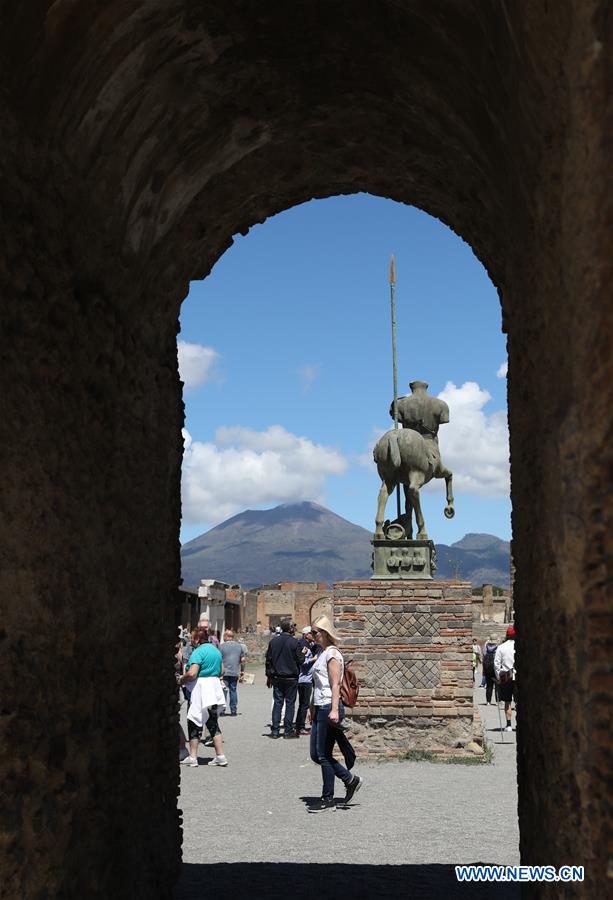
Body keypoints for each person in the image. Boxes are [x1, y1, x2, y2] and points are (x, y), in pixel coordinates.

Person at [309, 615, 362, 809]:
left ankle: (328, 798)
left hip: (329, 707)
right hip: (320, 706)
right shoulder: (323, 653)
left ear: (324, 633)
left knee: (323, 754)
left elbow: (335, 684)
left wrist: (333, 710)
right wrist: (311, 708)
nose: (312, 636)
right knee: (316, 754)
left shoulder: (332, 654)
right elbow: (317, 684)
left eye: (315, 632)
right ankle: (349, 780)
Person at [178, 626, 228, 766]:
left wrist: (181, 679)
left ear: (198, 639)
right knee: (212, 722)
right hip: (214, 688)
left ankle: (193, 757)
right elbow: (222, 670)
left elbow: (192, 673)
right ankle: (220, 755)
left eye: (193, 638)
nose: (191, 641)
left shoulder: (198, 651)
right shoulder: (216, 650)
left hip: (200, 689)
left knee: (193, 721)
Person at [265, 620, 303, 739]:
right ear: (290, 629)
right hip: (291, 677)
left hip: (277, 676)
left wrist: (269, 676)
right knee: (290, 704)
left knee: (278, 703)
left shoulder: (273, 641)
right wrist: (303, 653)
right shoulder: (294, 642)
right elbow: (300, 660)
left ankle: (275, 731)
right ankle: (287, 731)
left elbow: (268, 660)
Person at [294, 626, 317, 735]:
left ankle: (299, 726)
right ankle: (300, 727)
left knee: (303, 704)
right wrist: (314, 659)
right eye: (311, 633)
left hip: (305, 678)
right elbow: (302, 662)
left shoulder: (306, 644)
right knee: (304, 704)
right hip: (304, 679)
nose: (313, 635)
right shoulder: (303, 645)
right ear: (306, 634)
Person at [220, 629, 247, 716]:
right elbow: (243, 660)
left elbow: (219, 660)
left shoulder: (221, 647)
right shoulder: (239, 646)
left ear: (227, 637)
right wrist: (242, 671)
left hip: (224, 672)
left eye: (224, 636)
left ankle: (222, 710)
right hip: (235, 672)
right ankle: (233, 710)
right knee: (233, 690)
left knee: (223, 691)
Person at [494, 625, 516, 732]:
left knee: (507, 702)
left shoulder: (501, 647)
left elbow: (496, 664)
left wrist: (499, 677)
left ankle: (508, 725)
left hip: (506, 677)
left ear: (507, 635)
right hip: (518, 677)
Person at [481, 636, 498, 704]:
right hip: (495, 668)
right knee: (497, 686)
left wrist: (484, 669)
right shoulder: (498, 647)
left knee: (489, 686)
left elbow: (484, 656)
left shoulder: (486, 647)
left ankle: (488, 701)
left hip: (487, 669)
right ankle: (497, 701)